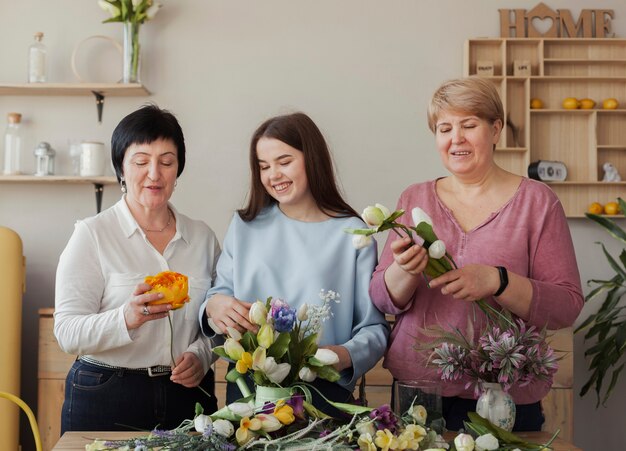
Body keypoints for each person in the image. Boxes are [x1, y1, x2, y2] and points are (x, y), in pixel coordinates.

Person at [369, 77, 583, 431]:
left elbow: (566, 305)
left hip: (504, 392)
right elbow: (382, 298)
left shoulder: (537, 202)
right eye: (444, 128)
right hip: (421, 389)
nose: (456, 139)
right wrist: (404, 271)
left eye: (469, 125)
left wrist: (498, 281)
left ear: (495, 129)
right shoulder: (414, 199)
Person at [199, 112, 389, 411]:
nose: (273, 174)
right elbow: (217, 296)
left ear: (311, 159)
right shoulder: (245, 226)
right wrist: (214, 304)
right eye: (264, 166)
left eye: (284, 162)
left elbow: (374, 328)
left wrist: (342, 355)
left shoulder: (353, 234)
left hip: (325, 393)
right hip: (250, 391)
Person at [55, 104, 220, 433]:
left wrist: (202, 356)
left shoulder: (203, 238)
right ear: (121, 169)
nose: (155, 174)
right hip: (106, 392)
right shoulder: (92, 234)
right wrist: (125, 318)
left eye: (167, 162)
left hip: (188, 396)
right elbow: (67, 332)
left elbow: (217, 323)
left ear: (178, 169)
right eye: (141, 161)